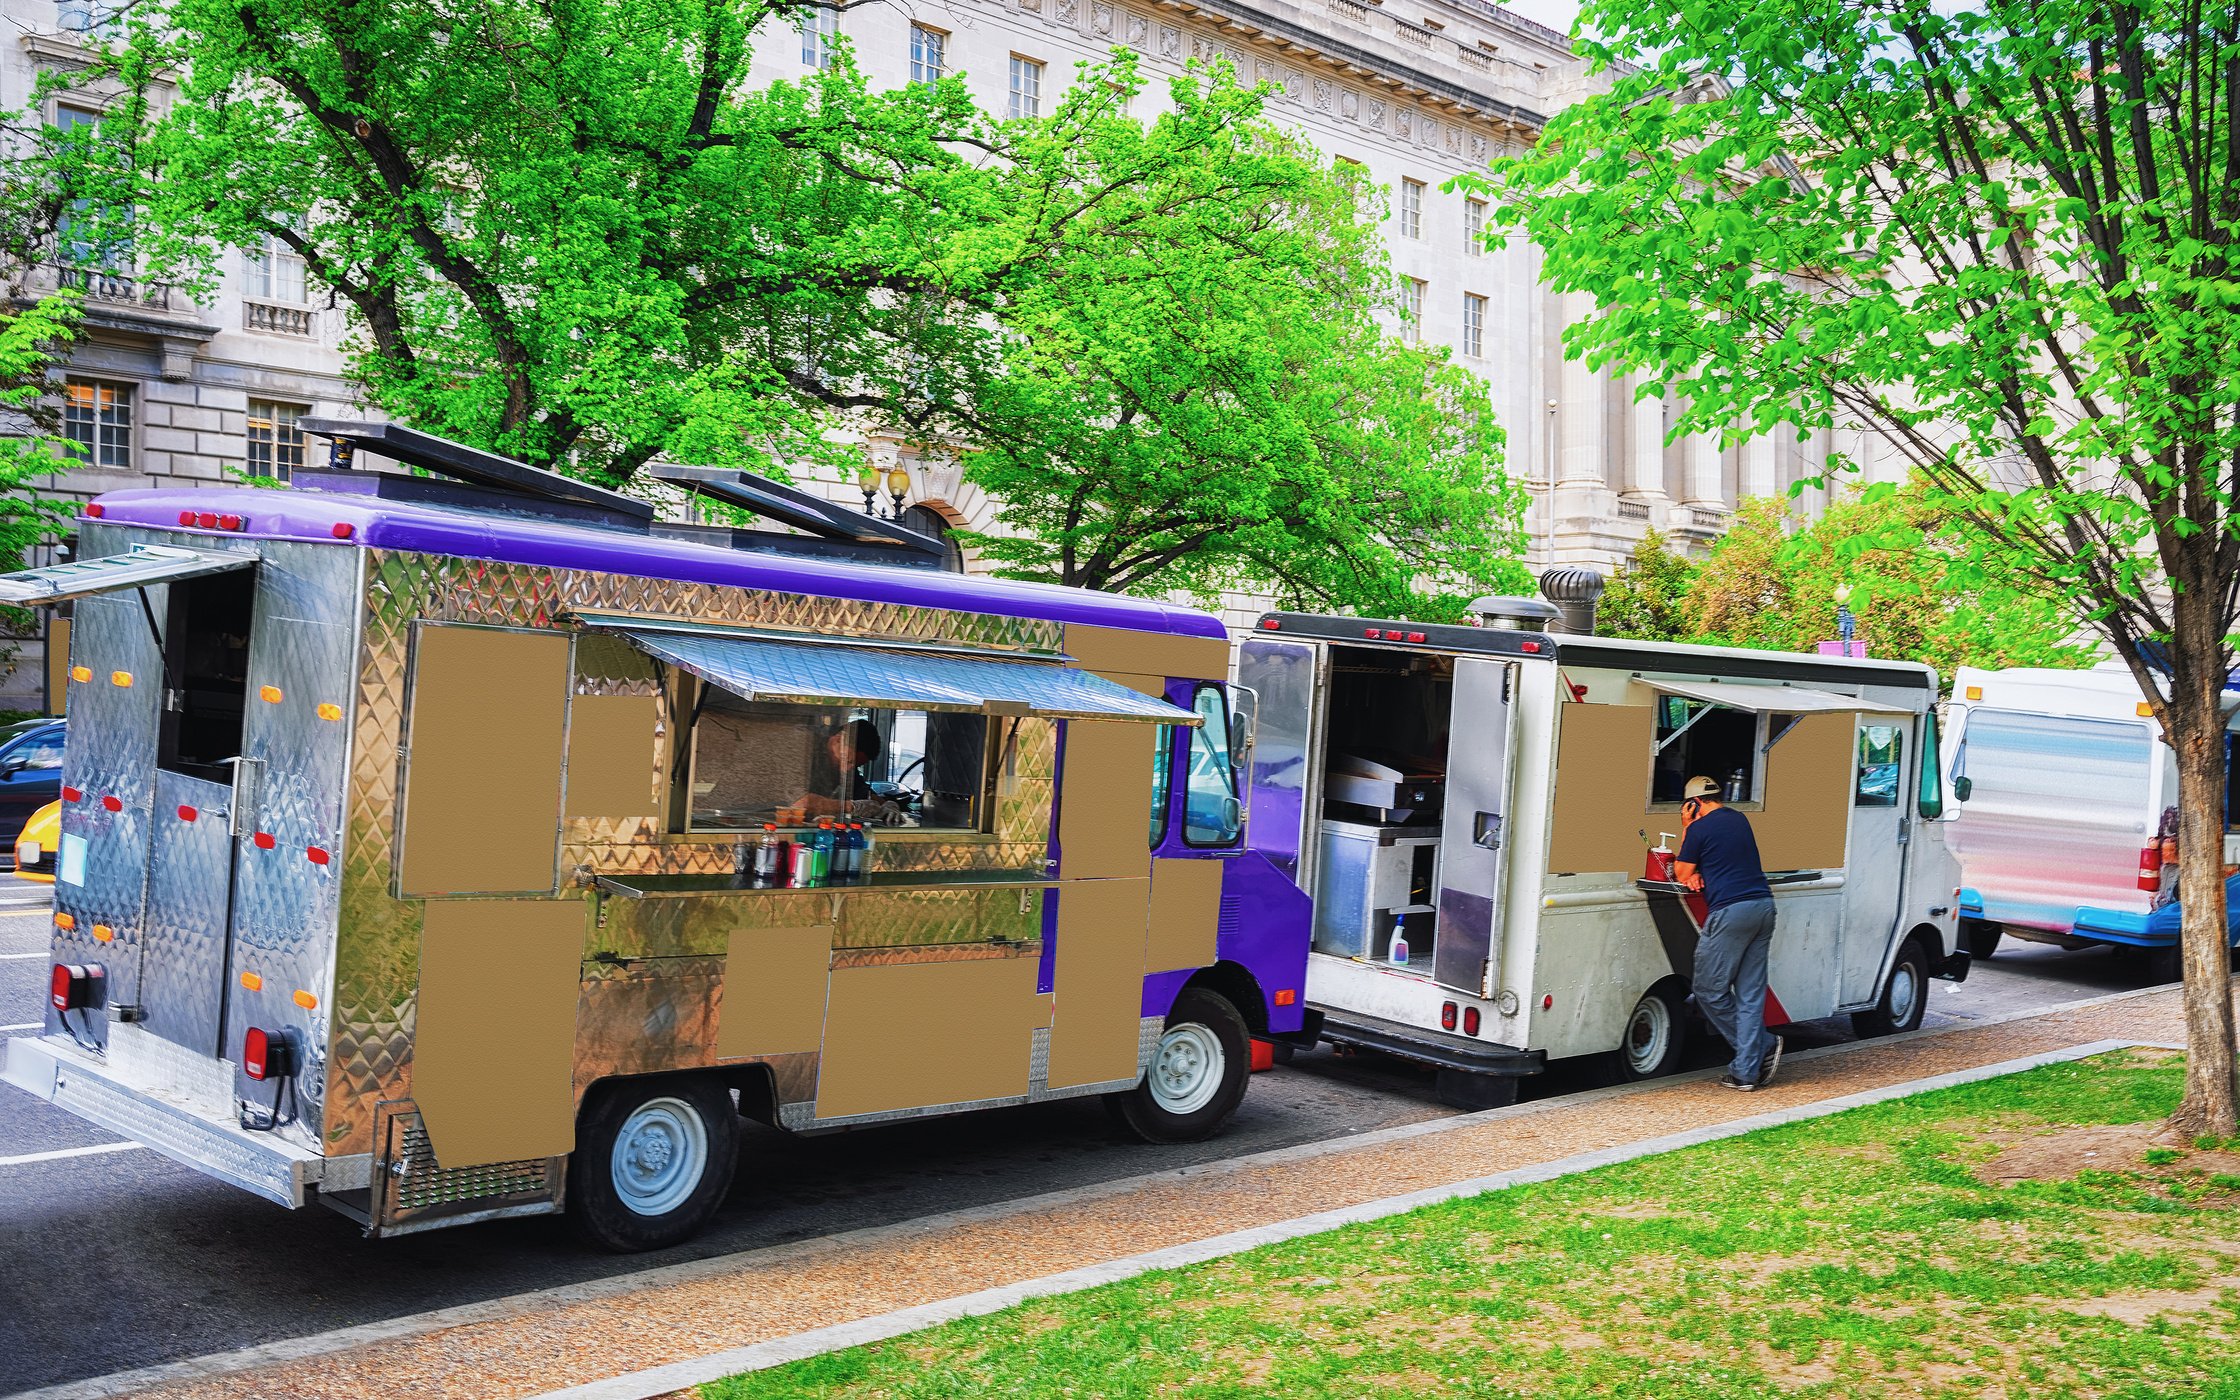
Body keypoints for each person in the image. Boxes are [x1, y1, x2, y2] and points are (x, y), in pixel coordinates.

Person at [1673, 775, 1783, 1091]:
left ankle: (1761, 1045)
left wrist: (1686, 827)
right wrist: (1700, 873)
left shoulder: (1698, 828)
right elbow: (1721, 860)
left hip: (1731, 912)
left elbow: (1681, 871)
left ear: (1693, 804)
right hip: (1762, 907)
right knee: (1750, 995)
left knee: (1708, 989)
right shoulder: (1739, 819)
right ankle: (1745, 1074)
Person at [792, 717, 884, 819]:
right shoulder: (804, 748)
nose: (847, 770)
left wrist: (886, 805)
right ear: (839, 740)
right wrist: (849, 806)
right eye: (849, 761)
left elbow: (862, 793)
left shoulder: (846, 763)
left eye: (855, 766)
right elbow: (801, 802)